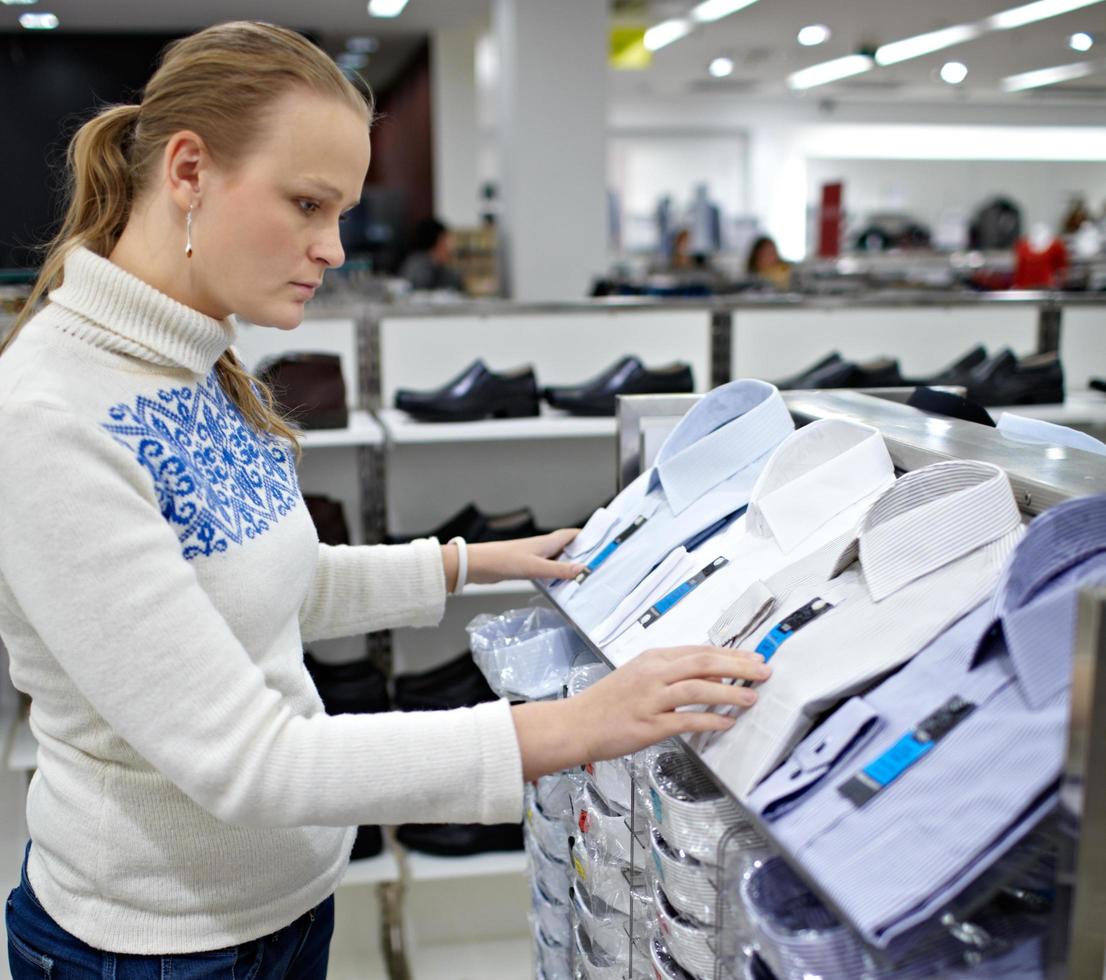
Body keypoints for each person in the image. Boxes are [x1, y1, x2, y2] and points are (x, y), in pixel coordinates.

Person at [0, 22, 768, 979]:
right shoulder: (48, 415)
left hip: (284, 899)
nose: (333, 249)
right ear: (188, 170)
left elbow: (261, 579)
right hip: (156, 945)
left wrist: (473, 563)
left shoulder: (197, 356)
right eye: (308, 204)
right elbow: (250, 761)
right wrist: (569, 727)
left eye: (342, 212)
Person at [398, 216, 465, 292]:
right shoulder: (417, 266)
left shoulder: (447, 271)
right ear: (439, 241)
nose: (451, 247)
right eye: (447, 240)